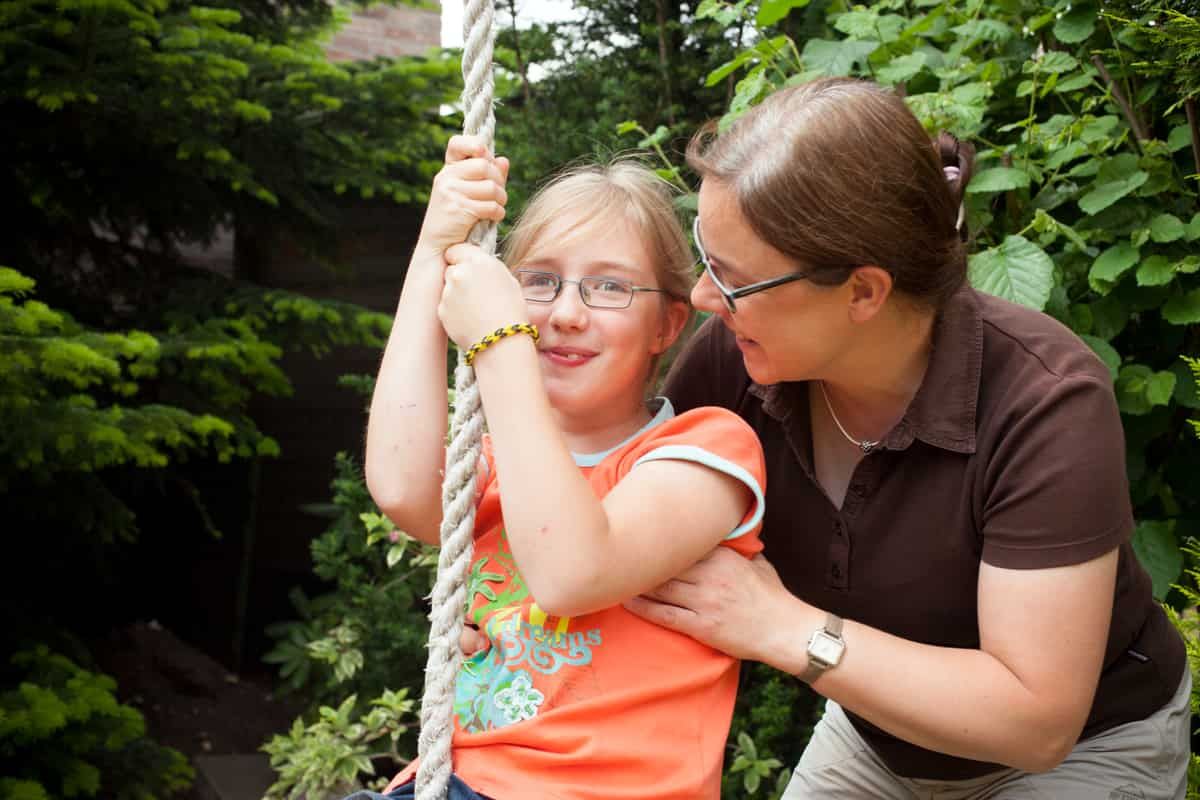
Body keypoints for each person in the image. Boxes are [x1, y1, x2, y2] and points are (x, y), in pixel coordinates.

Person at [624, 77, 1192, 799]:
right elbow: (607, 517)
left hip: (1088, 747)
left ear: (863, 292)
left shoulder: (1047, 404)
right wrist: (505, 618)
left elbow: (1036, 721)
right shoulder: (737, 355)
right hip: (877, 734)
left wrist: (782, 626)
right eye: (708, 258)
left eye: (732, 280)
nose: (705, 299)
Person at [357, 136, 768, 800]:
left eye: (608, 286)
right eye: (540, 282)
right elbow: (403, 487)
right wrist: (431, 256)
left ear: (667, 324)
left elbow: (571, 572)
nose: (566, 315)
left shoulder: (708, 451)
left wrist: (501, 343)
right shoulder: (490, 466)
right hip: (452, 782)